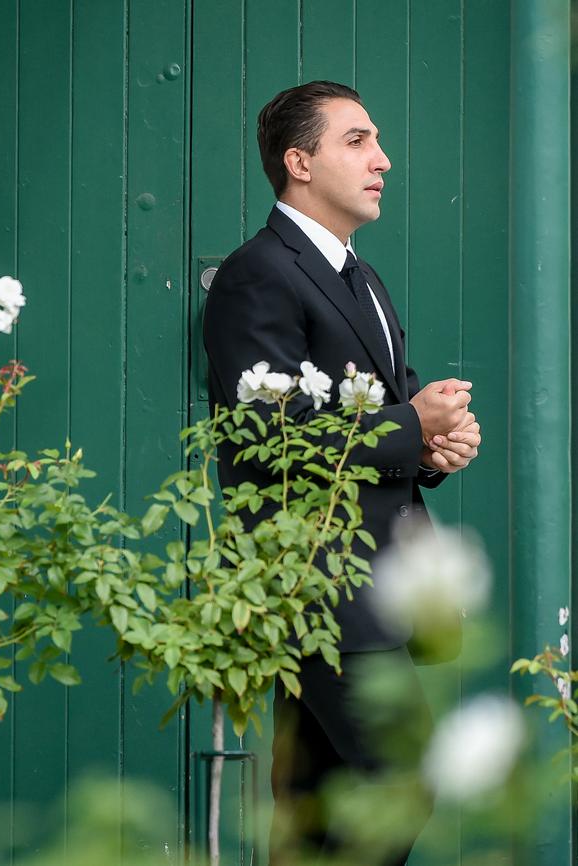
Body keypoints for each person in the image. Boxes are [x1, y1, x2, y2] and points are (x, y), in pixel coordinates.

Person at [202, 81, 481, 865]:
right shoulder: (259, 274)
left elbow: (385, 420)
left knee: (314, 812)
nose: (382, 160)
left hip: (366, 585)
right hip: (314, 584)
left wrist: (433, 445)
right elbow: (265, 438)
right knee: (403, 780)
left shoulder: (361, 277)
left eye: (377, 142)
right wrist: (409, 425)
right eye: (357, 141)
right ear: (298, 161)